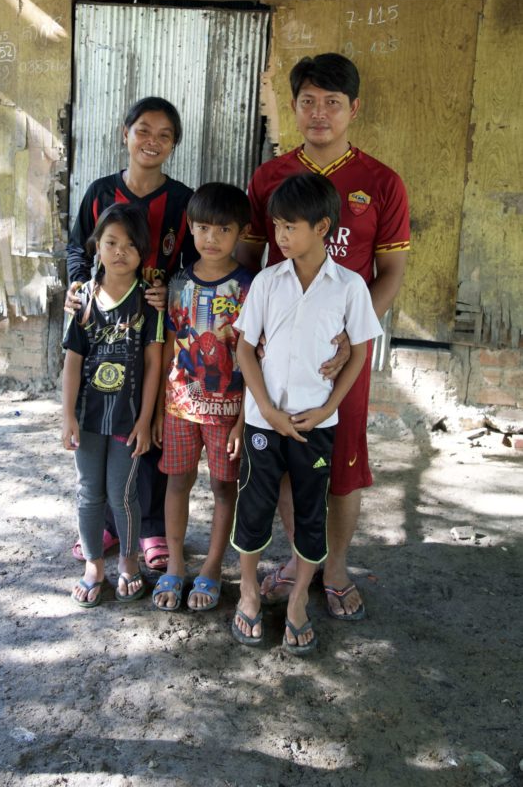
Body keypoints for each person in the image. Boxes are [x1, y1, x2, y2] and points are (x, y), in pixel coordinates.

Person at [237, 53, 410, 619]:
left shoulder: (382, 183)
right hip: (281, 348)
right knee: (288, 451)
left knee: (341, 465)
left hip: (342, 359)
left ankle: (333, 569)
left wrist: (349, 341)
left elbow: (392, 275)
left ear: (353, 109)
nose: (319, 114)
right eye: (308, 101)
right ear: (294, 106)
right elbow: (248, 259)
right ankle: (298, 560)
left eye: (332, 103)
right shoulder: (269, 178)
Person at [231, 173, 383, 653]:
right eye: (276, 226)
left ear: (323, 227)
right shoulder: (267, 282)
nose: (280, 236)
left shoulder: (349, 287)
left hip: (317, 424)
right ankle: (249, 592)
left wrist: (326, 410)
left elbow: (359, 353)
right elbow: (244, 350)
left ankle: (298, 600)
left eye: (290, 227)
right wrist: (268, 410)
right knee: (253, 509)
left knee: (311, 514)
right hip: (263, 422)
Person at [66, 96, 197, 572]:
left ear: (174, 145)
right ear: (125, 133)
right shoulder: (100, 193)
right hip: (103, 327)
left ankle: (153, 528)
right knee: (103, 415)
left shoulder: (183, 201)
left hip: (156, 328)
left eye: (164, 135)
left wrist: (174, 292)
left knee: (152, 421)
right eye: (144, 130)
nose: (152, 141)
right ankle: (103, 525)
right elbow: (76, 248)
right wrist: (79, 286)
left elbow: (192, 262)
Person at [151, 183, 253, 612]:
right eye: (203, 228)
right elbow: (169, 347)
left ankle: (211, 567)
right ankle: (175, 564)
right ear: (191, 228)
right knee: (177, 482)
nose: (211, 238)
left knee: (224, 488)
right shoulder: (178, 284)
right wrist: (158, 409)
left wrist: (245, 419)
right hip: (180, 407)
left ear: (242, 233)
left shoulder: (251, 287)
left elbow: (254, 357)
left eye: (223, 230)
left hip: (228, 412)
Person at [62, 203, 164, 607]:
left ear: (143, 252)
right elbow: (72, 361)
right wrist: (66, 414)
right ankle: (92, 565)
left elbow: (155, 363)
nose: (120, 251)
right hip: (87, 419)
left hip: (126, 418)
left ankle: (128, 561)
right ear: (97, 248)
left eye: (130, 245)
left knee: (122, 493)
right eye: (111, 242)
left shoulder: (149, 303)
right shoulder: (82, 299)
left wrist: (146, 419)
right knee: (89, 492)